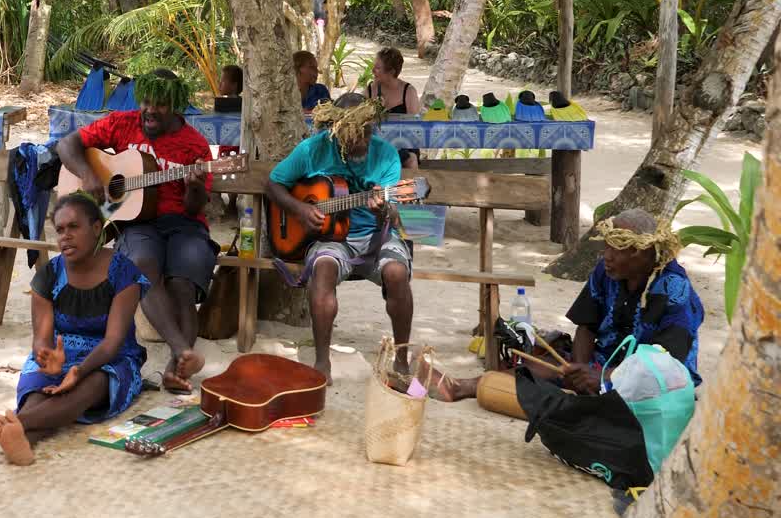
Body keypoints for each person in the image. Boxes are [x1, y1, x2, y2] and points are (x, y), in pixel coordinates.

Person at [429, 209, 703, 401]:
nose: (605, 257)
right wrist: (580, 372)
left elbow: (665, 364)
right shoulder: (606, 271)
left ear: (642, 253)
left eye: (615, 250)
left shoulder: (674, 289)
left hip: (657, 379)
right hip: (604, 363)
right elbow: (587, 325)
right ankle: (461, 387)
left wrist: (605, 378)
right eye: (605, 247)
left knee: (597, 404)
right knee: (537, 368)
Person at [56, 69, 215, 394]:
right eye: (146, 101)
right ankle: (182, 350)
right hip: (136, 222)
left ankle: (176, 367)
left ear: (176, 106)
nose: (150, 110)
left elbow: (195, 207)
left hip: (184, 224)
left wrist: (195, 188)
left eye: (160, 104)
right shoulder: (121, 123)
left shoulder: (194, 145)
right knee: (141, 266)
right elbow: (67, 144)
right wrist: (87, 174)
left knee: (183, 284)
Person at [264, 93, 413, 382]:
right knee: (323, 268)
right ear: (337, 130)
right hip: (330, 238)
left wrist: (385, 210)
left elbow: (391, 214)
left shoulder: (385, 155)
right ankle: (322, 362)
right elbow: (273, 184)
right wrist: (301, 209)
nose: (364, 141)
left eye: (368, 133)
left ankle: (402, 358)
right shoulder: (312, 150)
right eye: (357, 135)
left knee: (396, 272)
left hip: (375, 235)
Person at [0, 194, 149, 465]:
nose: (65, 236)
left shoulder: (124, 273)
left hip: (109, 358)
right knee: (38, 390)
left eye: (74, 227)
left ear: (97, 228)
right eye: (60, 230)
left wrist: (78, 370)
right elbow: (41, 339)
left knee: (87, 389)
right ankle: (24, 438)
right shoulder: (48, 275)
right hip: (61, 354)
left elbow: (112, 341)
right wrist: (45, 357)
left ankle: (16, 423)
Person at [366, 47, 421, 170]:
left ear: (391, 71)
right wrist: (374, 111)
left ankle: (412, 188)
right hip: (376, 143)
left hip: (403, 144)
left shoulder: (408, 91)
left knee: (410, 159)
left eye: (378, 68)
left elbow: (415, 128)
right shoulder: (369, 90)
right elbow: (359, 121)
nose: (373, 70)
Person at [218, 64, 244, 215]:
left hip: (234, 146)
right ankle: (230, 201)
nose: (219, 84)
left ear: (234, 85)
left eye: (223, 81)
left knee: (231, 171)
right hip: (225, 145)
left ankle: (232, 201)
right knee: (226, 170)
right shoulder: (221, 102)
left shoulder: (232, 104)